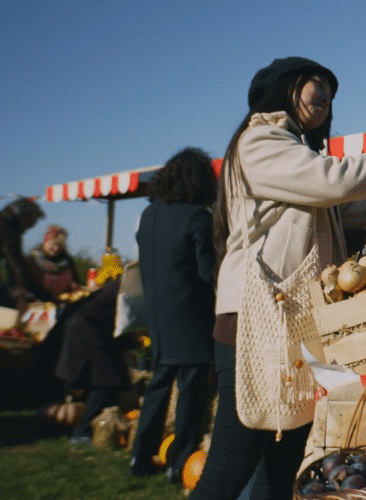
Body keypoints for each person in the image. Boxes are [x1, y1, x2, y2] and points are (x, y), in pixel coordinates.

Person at [189, 56, 366, 500]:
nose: (324, 95)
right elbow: (335, 183)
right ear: (283, 87)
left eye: (330, 91)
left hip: (294, 325)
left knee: (279, 471)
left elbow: (352, 207)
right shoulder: (260, 141)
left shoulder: (297, 154)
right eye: (315, 84)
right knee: (227, 473)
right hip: (254, 323)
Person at [127, 147, 218, 484]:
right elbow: (207, 269)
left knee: (158, 386)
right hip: (190, 314)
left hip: (158, 315)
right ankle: (178, 462)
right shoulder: (197, 217)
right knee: (192, 391)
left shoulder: (150, 214)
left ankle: (140, 455)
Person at [52, 251, 130, 443]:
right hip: (87, 329)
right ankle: (83, 430)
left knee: (107, 379)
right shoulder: (132, 288)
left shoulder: (123, 286)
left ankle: (101, 426)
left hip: (86, 327)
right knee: (107, 379)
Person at [0, 197, 55, 309]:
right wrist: (48, 297)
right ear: (22, 216)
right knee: (11, 307)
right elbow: (17, 268)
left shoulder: (5, 224)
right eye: (31, 220)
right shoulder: (8, 230)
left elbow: (14, 268)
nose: (32, 225)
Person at [30, 224, 81, 299]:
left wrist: (74, 285)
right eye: (53, 244)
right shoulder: (33, 260)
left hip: (64, 302)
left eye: (60, 246)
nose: (56, 248)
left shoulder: (67, 260)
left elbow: (76, 280)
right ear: (46, 241)